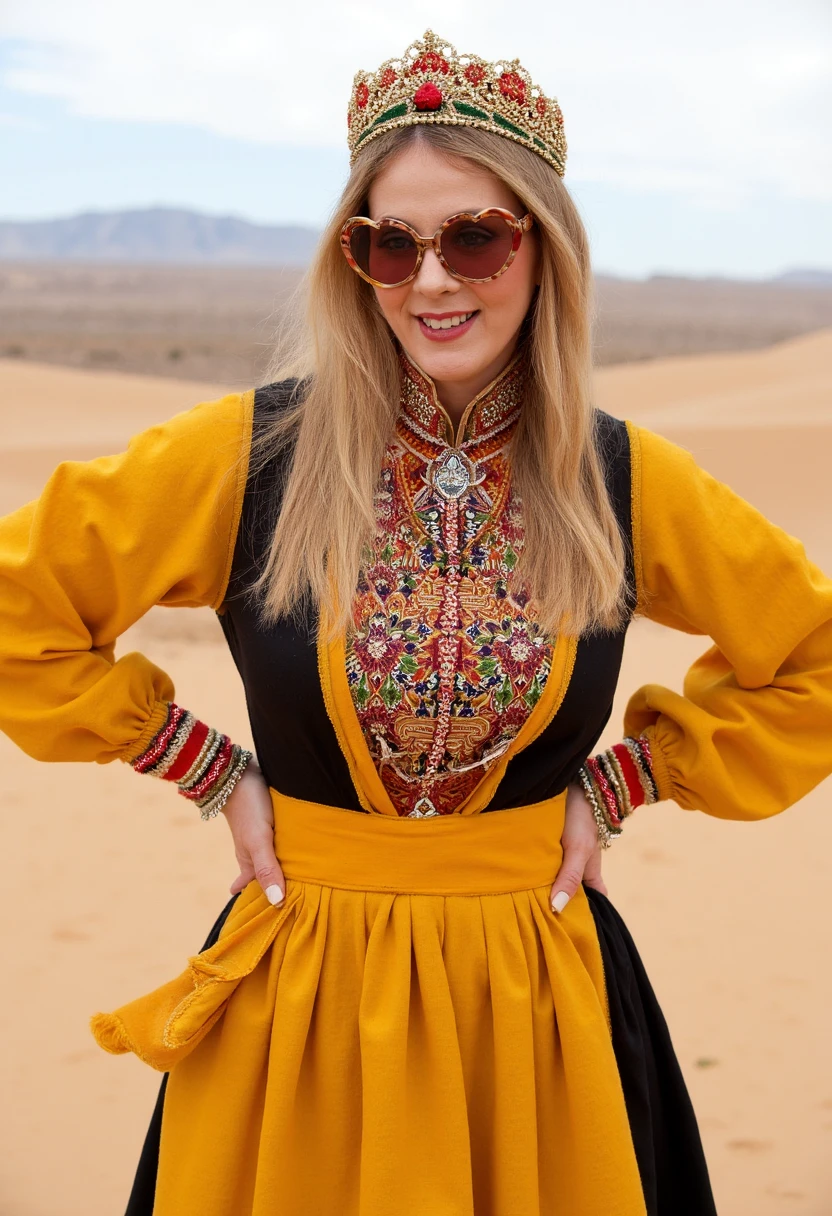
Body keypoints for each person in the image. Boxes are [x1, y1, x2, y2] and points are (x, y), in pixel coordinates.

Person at [1, 28, 831, 1216]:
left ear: (544, 251)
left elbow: (811, 652)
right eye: (389, 243)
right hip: (302, 990)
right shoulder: (250, 455)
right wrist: (209, 772)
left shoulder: (618, 477)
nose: (431, 279)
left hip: (536, 999)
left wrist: (621, 786)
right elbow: (19, 606)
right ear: (355, 262)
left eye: (475, 237)